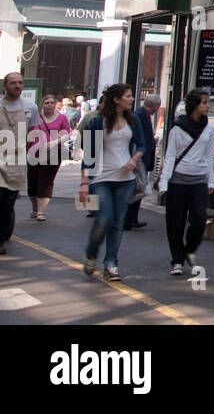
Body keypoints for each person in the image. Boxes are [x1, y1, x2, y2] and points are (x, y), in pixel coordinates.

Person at [79, 84, 145, 280]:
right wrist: (84, 182)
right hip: (101, 179)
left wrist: (134, 159)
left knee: (118, 223)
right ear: (116, 99)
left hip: (126, 180)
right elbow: (88, 155)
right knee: (104, 218)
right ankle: (91, 253)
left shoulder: (133, 120)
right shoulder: (98, 122)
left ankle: (111, 264)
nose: (132, 99)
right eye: (128, 96)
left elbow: (142, 144)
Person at [158, 89, 214, 276]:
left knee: (199, 219)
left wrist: (210, 180)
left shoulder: (209, 128)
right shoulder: (178, 128)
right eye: (204, 102)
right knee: (175, 223)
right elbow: (170, 156)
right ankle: (177, 260)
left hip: (199, 179)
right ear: (194, 106)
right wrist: (164, 183)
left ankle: (189, 249)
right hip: (178, 180)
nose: (207, 106)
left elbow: (209, 156)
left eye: (208, 102)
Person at [1, 72, 37, 255]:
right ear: (5, 86)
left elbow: (33, 132)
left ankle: (4, 234)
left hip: (17, 160)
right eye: (13, 83)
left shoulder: (31, 107)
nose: (17, 86)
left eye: (20, 83)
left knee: (8, 202)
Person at [27, 93, 71, 221]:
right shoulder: (35, 117)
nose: (49, 105)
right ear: (42, 104)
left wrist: (54, 142)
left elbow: (66, 134)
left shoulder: (62, 118)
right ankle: (35, 208)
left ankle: (41, 211)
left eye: (52, 102)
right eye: (47, 103)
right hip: (34, 153)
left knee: (45, 182)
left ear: (55, 104)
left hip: (52, 154)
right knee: (32, 183)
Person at [123, 94, 161, 230]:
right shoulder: (139, 115)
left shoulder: (141, 114)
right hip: (138, 160)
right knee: (137, 188)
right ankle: (128, 218)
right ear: (155, 106)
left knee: (138, 188)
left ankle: (131, 218)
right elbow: (139, 140)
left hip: (140, 158)